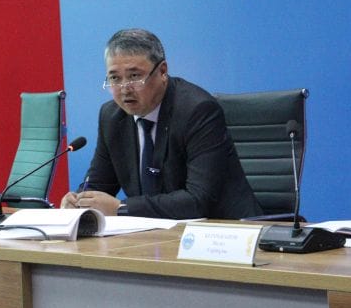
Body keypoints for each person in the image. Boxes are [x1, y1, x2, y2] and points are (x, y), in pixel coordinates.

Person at [61, 28, 262, 219]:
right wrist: (79, 201)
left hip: (223, 231)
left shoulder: (197, 111)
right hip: (155, 234)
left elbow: (198, 200)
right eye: (115, 78)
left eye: (134, 76)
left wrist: (122, 208)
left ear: (163, 71)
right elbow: (99, 184)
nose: (124, 89)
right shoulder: (112, 117)